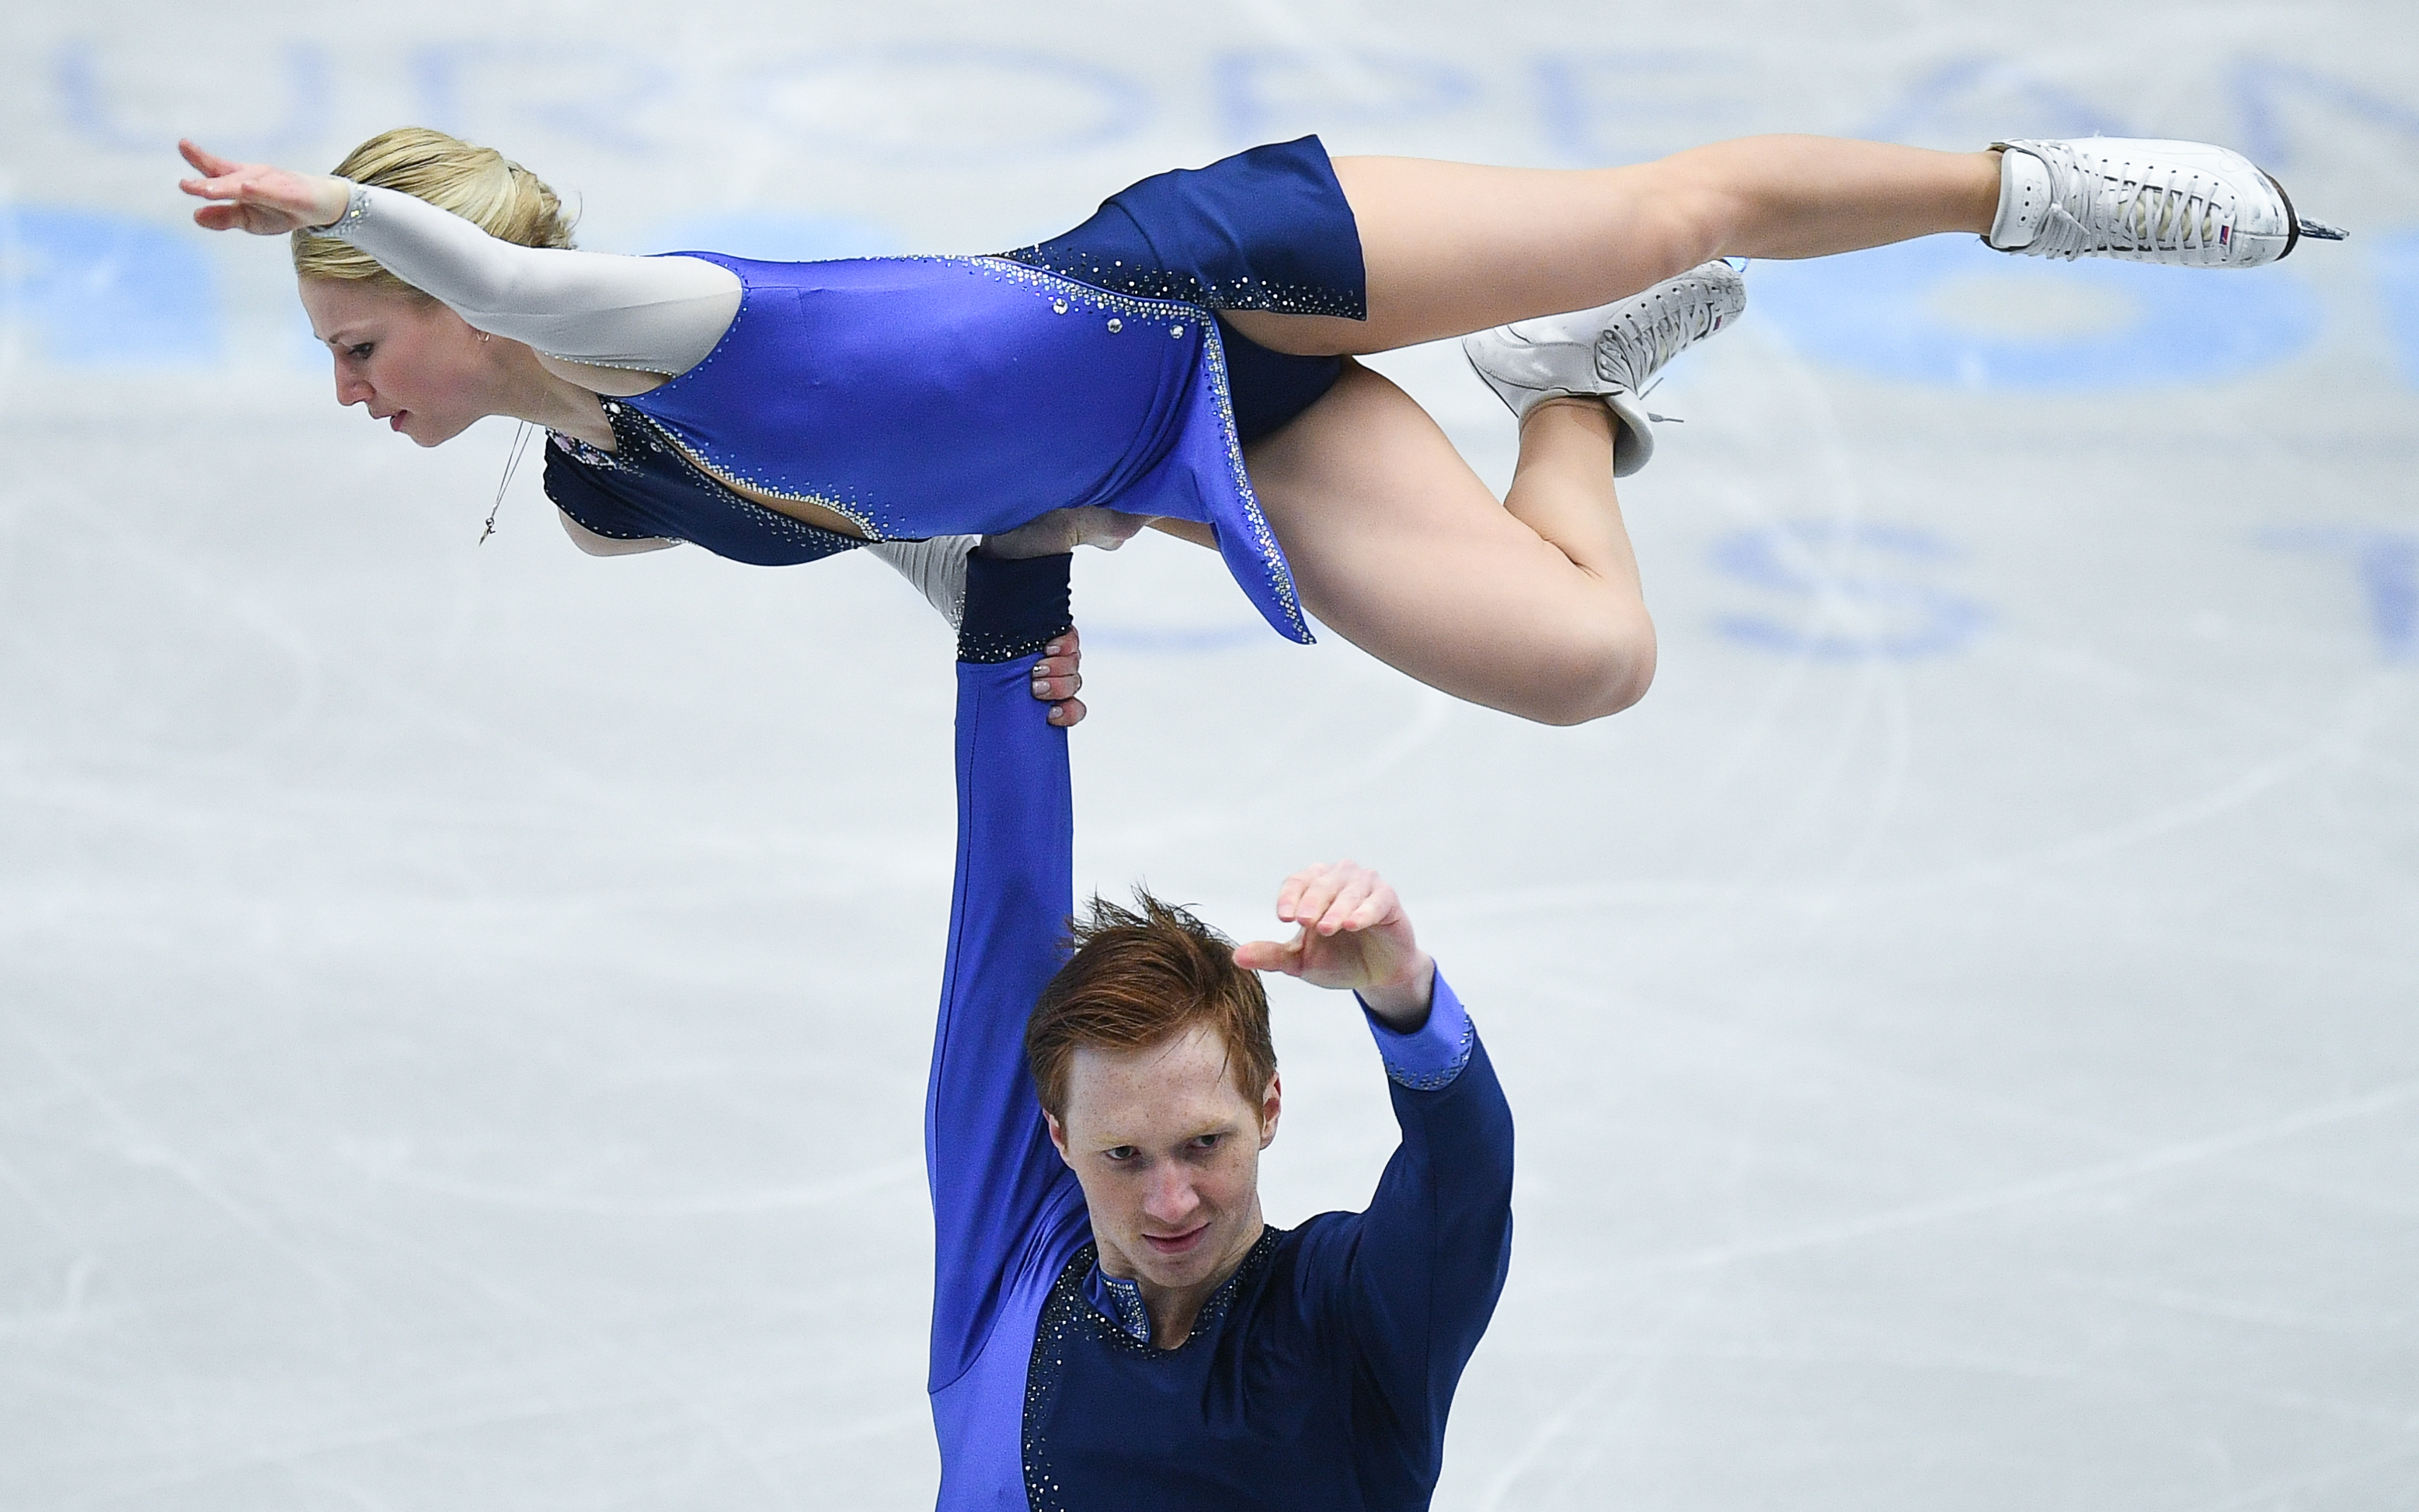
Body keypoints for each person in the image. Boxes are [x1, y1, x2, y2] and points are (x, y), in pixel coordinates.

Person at [180, 130, 2342, 723]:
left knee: (1681, 204)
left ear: (432, 300)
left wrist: (332, 202)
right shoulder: (605, 489)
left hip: (1208, 280)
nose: (346, 389)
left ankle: (2045, 189)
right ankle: (1572, 387)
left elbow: (531, 293)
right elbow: (871, 509)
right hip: (1174, 466)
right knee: (1588, 667)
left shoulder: (642, 323)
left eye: (355, 341)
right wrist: (1004, 603)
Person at [924, 544, 1511, 1509]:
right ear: (1060, 1138)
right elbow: (1002, 914)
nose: (1170, 1204)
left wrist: (1406, 999)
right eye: (1124, 1156)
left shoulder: (1350, 1324)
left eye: (1204, 1144)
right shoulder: (1015, 1275)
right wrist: (1012, 618)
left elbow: (1468, 1187)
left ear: (1269, 1106)